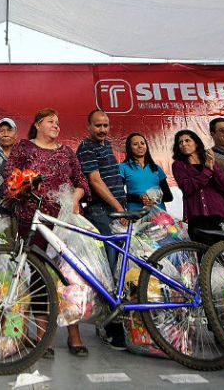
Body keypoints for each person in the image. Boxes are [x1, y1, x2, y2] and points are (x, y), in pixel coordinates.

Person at [3, 108, 91, 357]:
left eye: (58, 122)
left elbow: (81, 181)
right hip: (33, 221)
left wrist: (75, 197)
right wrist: (27, 184)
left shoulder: (65, 151)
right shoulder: (23, 147)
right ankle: (43, 338)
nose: (56, 125)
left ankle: (74, 335)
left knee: (69, 277)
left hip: (65, 220)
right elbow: (10, 176)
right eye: (51, 121)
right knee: (39, 275)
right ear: (38, 124)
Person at [75, 109, 128, 351]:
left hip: (117, 212)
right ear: (88, 127)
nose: (103, 130)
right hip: (102, 213)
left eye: (106, 125)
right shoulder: (86, 147)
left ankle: (116, 320)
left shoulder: (106, 146)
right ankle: (107, 324)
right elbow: (95, 181)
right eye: (98, 126)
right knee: (107, 270)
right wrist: (118, 207)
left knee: (120, 269)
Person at [171, 129, 224, 246]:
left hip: (219, 215)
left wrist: (213, 166)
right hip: (197, 218)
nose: (184, 144)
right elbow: (188, 187)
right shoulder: (178, 165)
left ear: (196, 143)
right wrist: (207, 170)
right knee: (205, 256)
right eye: (180, 143)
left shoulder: (209, 160)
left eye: (187, 140)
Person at [118, 132, 173, 211]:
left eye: (142, 143)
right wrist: (139, 198)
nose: (140, 146)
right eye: (135, 144)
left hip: (159, 216)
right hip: (136, 216)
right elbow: (118, 195)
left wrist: (155, 198)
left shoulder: (156, 168)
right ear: (129, 148)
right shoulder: (123, 167)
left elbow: (168, 197)